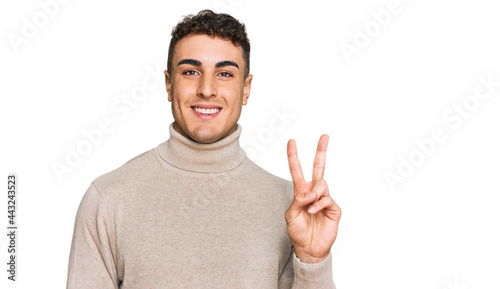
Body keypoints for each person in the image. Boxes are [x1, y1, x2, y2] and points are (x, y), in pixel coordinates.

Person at [66, 9, 341, 288]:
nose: (206, 89)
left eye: (224, 73)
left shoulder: (293, 207)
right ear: (169, 84)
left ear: (246, 89)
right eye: (191, 71)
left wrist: (312, 261)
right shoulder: (108, 199)